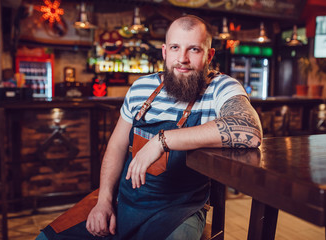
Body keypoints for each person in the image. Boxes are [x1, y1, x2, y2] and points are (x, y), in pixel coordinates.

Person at [37, 14, 262, 240]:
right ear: (165, 52)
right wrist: (103, 201)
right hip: (123, 201)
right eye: (175, 47)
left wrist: (162, 141)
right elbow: (115, 146)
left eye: (194, 49)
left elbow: (250, 129)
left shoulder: (221, 88)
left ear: (209, 55)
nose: (182, 58)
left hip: (179, 210)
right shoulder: (141, 88)